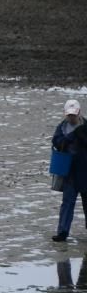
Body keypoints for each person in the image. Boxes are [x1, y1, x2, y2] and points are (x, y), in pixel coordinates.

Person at [52, 99, 87, 241]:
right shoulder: (61, 127)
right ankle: (63, 232)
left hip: (85, 171)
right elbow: (56, 141)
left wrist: (80, 137)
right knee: (67, 202)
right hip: (69, 172)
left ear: (79, 112)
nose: (71, 117)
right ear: (65, 114)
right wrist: (68, 138)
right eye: (69, 115)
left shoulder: (86, 126)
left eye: (73, 114)